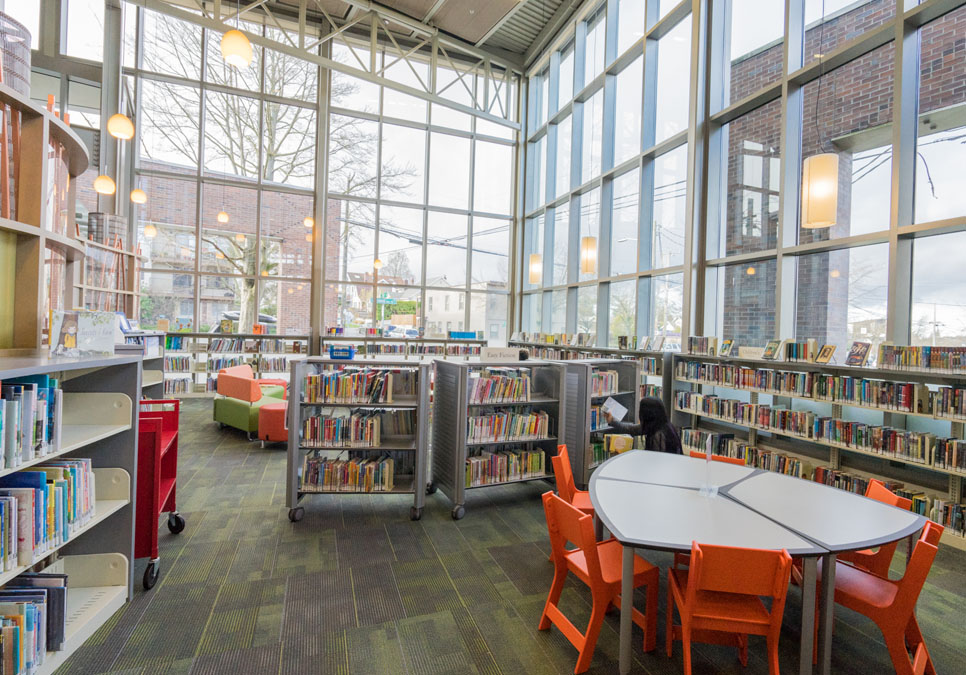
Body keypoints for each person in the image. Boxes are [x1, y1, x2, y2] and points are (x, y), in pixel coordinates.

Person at [603, 396, 682, 454]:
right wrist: (612, 421)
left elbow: (655, 460)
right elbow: (631, 429)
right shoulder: (660, 425)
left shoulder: (658, 435)